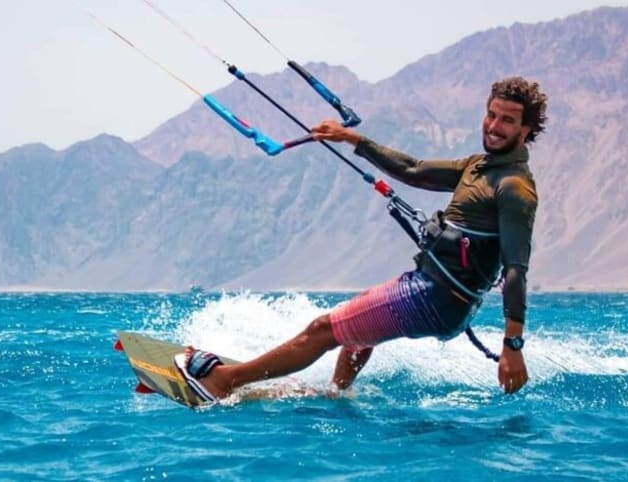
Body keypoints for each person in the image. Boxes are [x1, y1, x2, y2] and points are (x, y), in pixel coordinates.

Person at [174, 76, 548, 402]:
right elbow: (412, 169)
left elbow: (516, 269)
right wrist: (352, 138)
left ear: (526, 129)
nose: (494, 126)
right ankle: (339, 394)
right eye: (492, 114)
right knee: (358, 332)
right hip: (430, 289)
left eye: (508, 120)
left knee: (323, 330)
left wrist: (512, 345)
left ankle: (225, 382)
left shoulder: (514, 188)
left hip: (435, 299)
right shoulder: (478, 167)